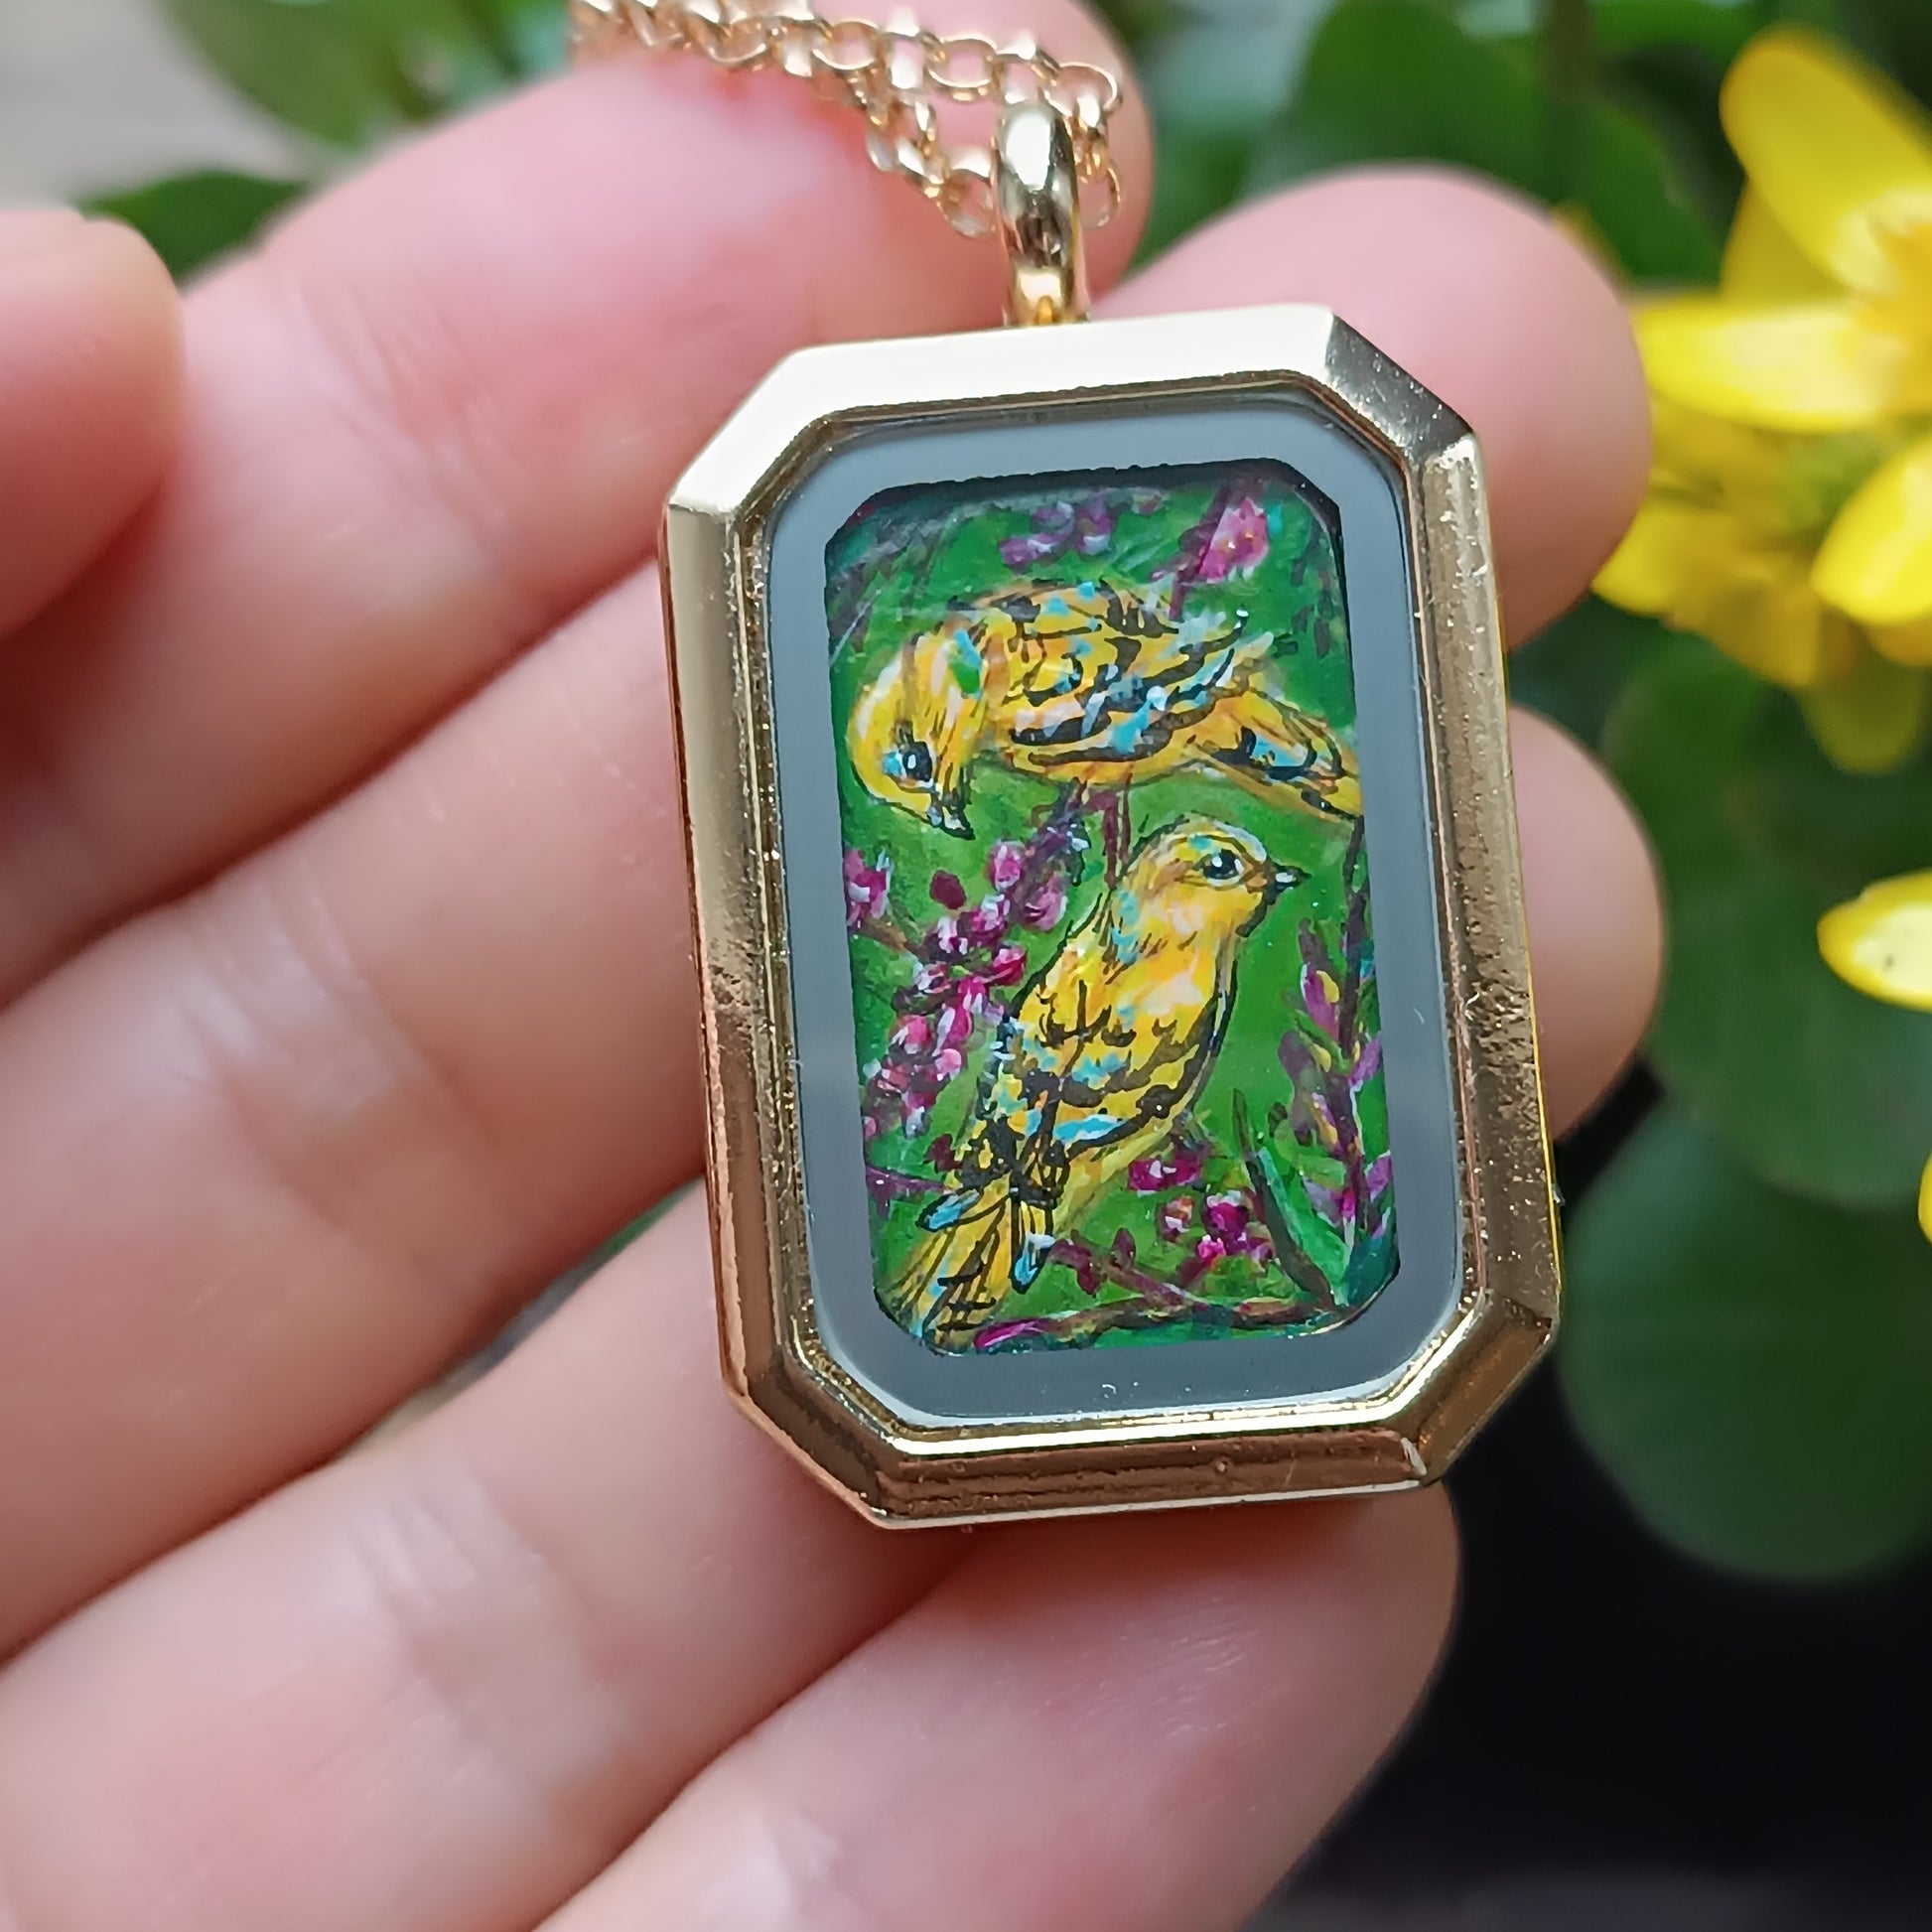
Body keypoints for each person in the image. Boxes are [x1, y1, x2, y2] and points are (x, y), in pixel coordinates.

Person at [0, 5, 1661, 1925]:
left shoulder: (1043, 686)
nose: (946, 793)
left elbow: (1146, 731)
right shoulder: (999, 723)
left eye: (930, 771)